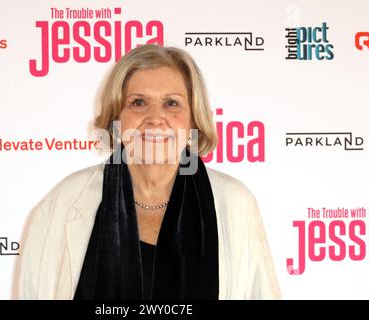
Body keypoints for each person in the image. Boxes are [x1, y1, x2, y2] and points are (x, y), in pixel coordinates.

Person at [17, 44, 281, 300]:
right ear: (116, 118)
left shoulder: (235, 203)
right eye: (139, 102)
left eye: (172, 103)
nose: (156, 118)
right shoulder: (64, 203)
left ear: (193, 119)